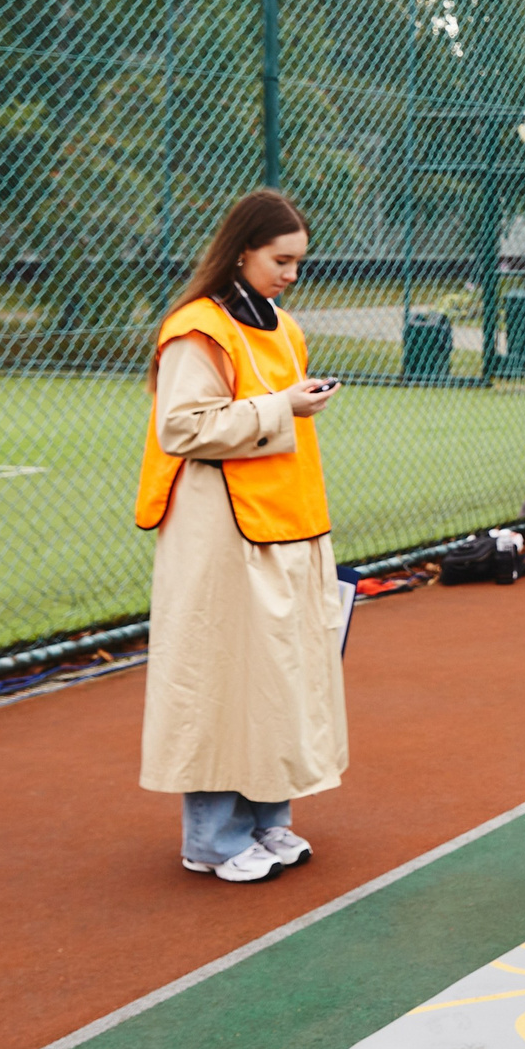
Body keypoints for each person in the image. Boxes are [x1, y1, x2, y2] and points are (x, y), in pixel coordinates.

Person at [134, 189, 346, 884]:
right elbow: (182, 426)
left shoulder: (282, 326)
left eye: (297, 262)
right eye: (280, 259)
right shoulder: (197, 328)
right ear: (243, 250)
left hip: (284, 521)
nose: (290, 273)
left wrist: (289, 402)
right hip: (220, 529)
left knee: (277, 675)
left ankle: (265, 821)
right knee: (224, 674)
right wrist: (282, 405)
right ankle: (214, 838)